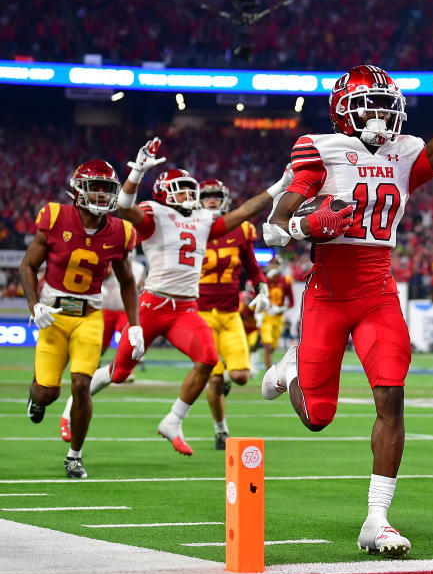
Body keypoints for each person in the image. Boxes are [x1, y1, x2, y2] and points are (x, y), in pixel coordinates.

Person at [259, 7, 433, 557]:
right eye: (369, 107)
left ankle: (376, 519)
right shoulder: (320, 147)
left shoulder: (406, 154)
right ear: (343, 112)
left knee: (392, 398)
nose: (382, 116)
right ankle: (291, 365)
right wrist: (307, 223)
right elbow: (278, 224)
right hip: (328, 295)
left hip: (379, 291)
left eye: (387, 106)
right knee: (318, 418)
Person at [64, 138, 289, 456]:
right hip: (152, 306)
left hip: (185, 309)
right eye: (182, 188)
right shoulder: (154, 214)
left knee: (209, 360)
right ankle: (73, 402)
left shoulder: (202, 219)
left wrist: (279, 186)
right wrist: (138, 172)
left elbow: (241, 213)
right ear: (165, 192)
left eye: (189, 188)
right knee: (119, 373)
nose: (189, 194)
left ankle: (173, 420)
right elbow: (124, 206)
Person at [19, 160, 143, 478]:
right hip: (53, 315)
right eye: (95, 187)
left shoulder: (120, 231)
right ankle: (36, 398)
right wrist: (34, 306)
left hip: (89, 316)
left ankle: (74, 454)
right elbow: (27, 266)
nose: (102, 195)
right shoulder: (55, 216)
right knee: (47, 392)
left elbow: (128, 281)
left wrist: (135, 324)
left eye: (107, 189)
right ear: (77, 190)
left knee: (81, 385)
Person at [196, 179, 270, 450]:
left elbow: (253, 268)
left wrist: (261, 289)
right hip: (201, 314)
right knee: (213, 378)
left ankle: (221, 389)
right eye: (207, 197)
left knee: (239, 375)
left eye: (216, 196)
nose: (212, 201)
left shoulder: (240, 230)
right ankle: (220, 430)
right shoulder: (191, 229)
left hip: (229, 314)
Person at [58, 256, 146, 444]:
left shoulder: (138, 268)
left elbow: (138, 287)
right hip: (104, 309)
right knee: (98, 350)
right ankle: (89, 369)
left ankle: (121, 364)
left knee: (127, 344)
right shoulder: (106, 259)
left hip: (124, 309)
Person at [260, 257, 294, 368]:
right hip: (266, 316)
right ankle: (268, 373)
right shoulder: (264, 280)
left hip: (279, 317)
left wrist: (281, 309)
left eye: (276, 264)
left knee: (273, 347)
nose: (274, 266)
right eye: (272, 264)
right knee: (268, 346)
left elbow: (291, 302)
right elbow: (259, 297)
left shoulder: (285, 281)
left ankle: (268, 363)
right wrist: (267, 305)